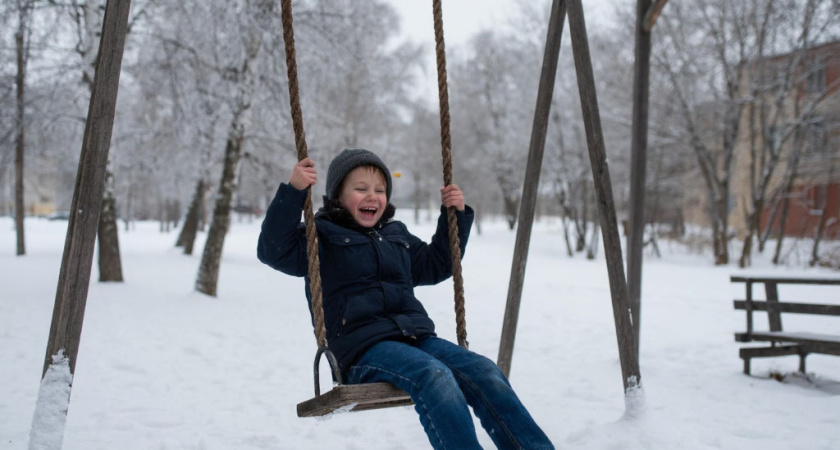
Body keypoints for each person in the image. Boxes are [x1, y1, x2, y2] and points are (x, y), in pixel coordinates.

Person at [258, 148, 554, 450]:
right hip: (362, 348)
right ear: (337, 196)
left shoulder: (395, 235)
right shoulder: (320, 236)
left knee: (485, 371)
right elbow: (273, 250)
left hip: (415, 337)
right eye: (361, 189)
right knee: (434, 375)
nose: (372, 196)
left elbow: (438, 263)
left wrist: (454, 216)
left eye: (380, 190)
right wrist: (294, 192)